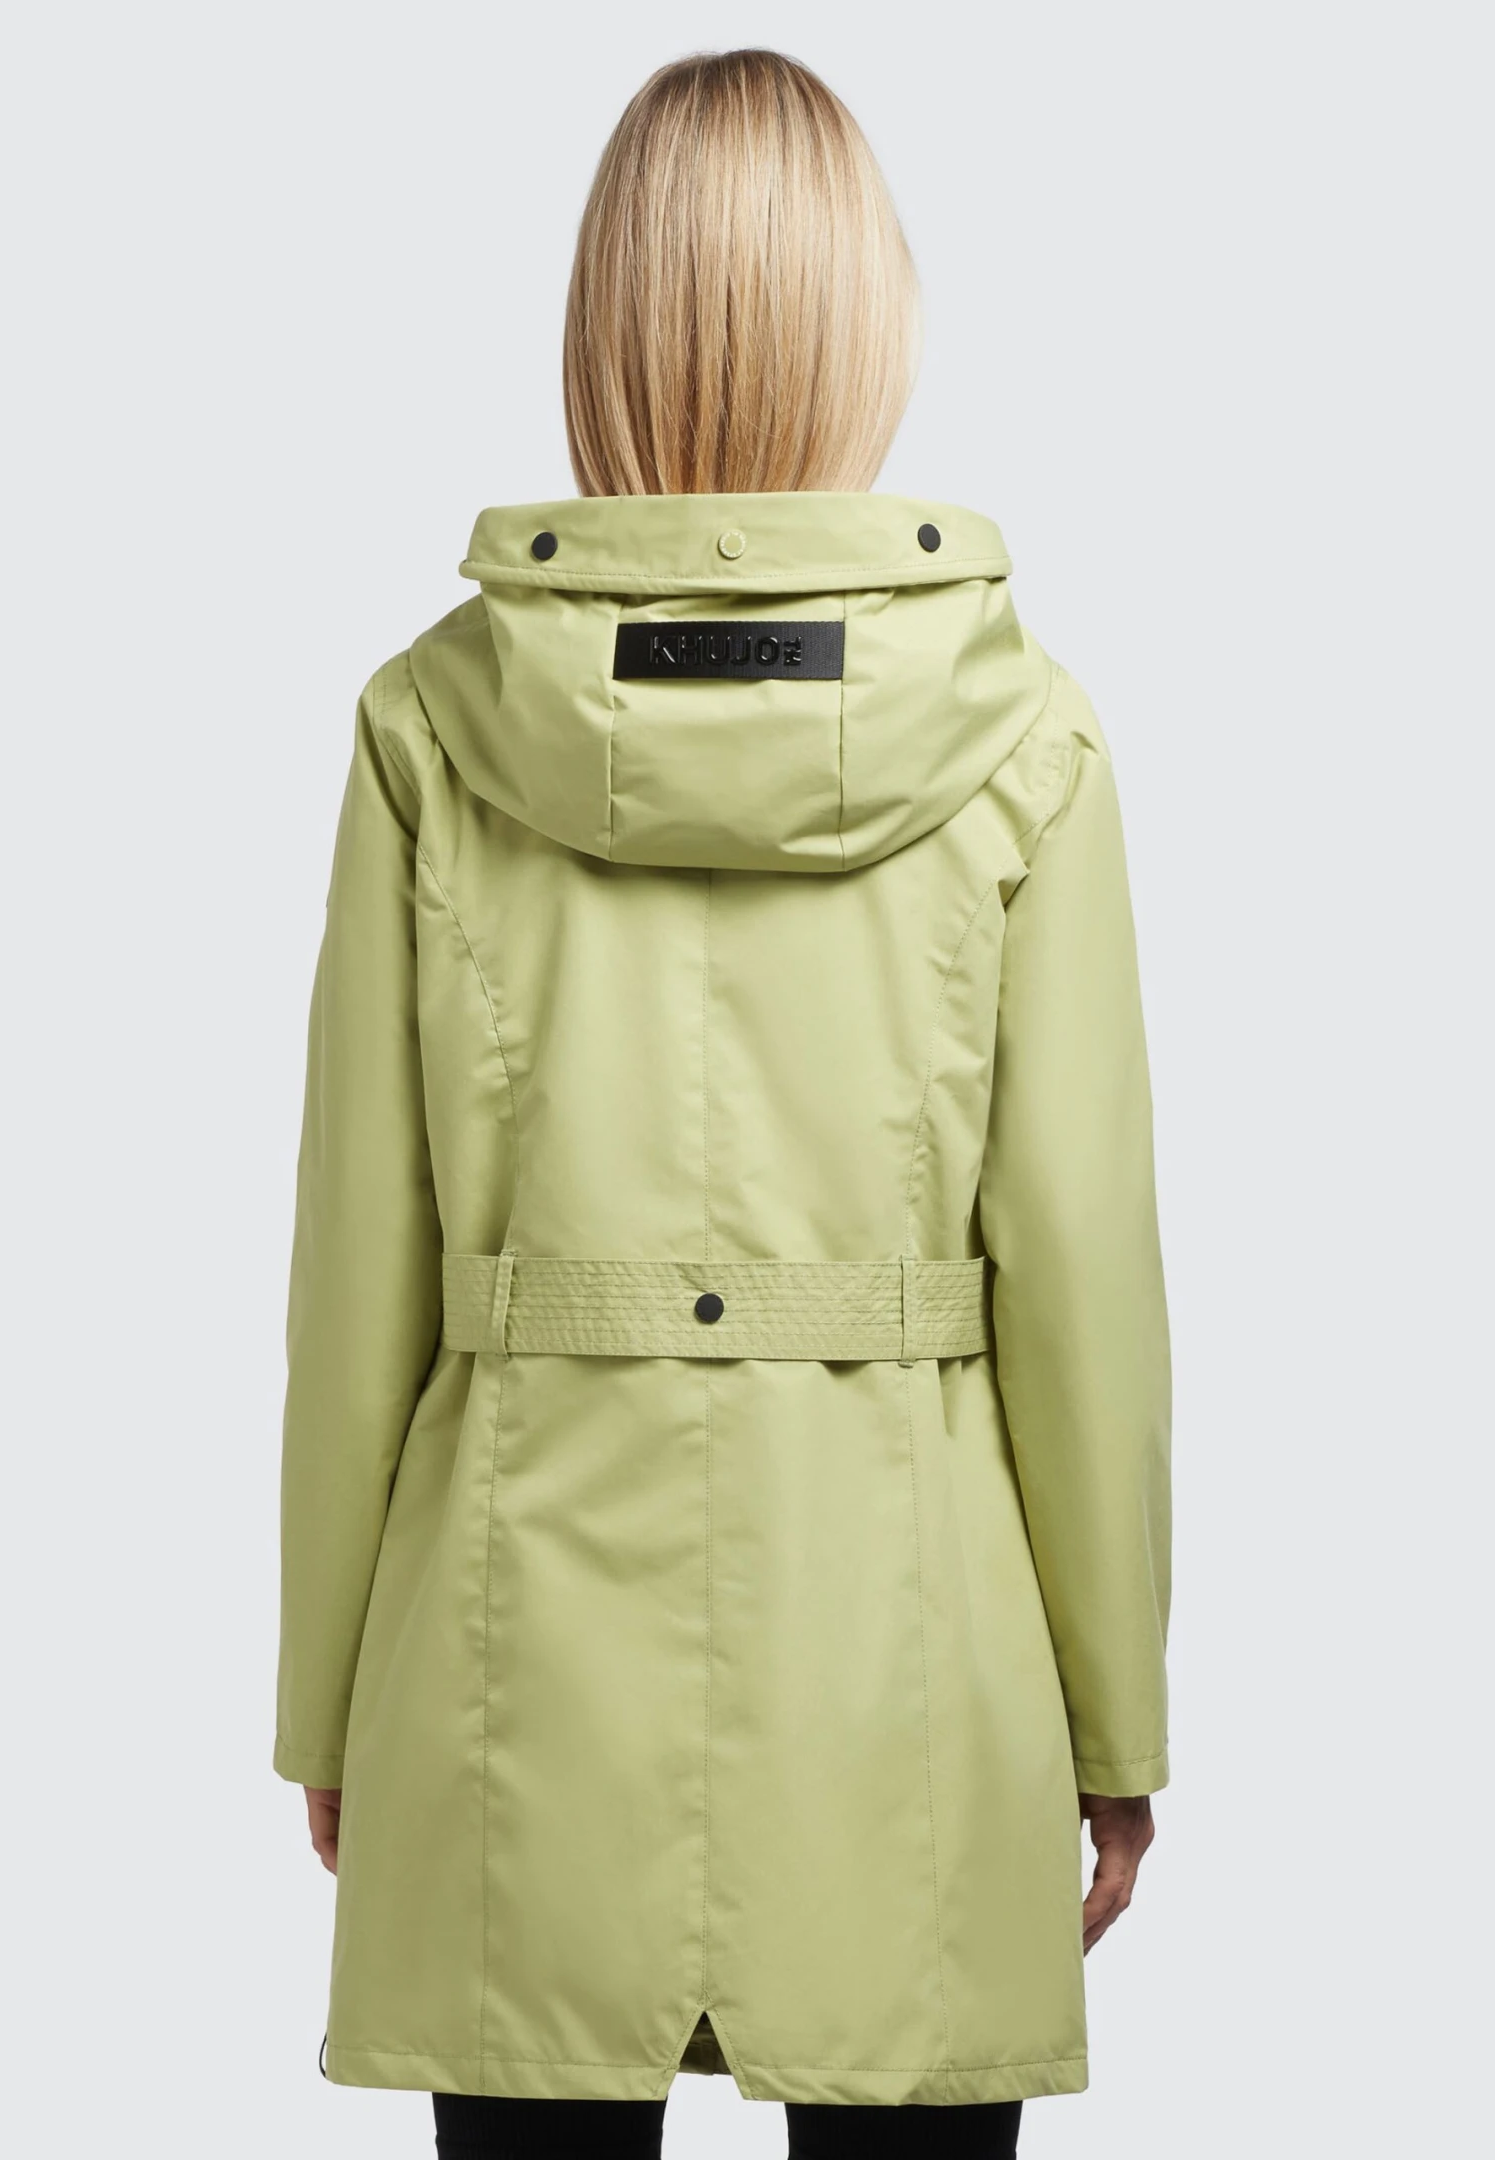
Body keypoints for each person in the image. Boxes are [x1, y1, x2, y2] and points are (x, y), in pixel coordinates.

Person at [275, 47, 1171, 2160]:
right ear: (870, 323)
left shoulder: (430, 724)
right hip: (908, 1662)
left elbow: (356, 1263)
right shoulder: (1026, 737)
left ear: (603, 324)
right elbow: (1077, 1274)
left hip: (509, 1658)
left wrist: (331, 1695)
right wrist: (1116, 1720)